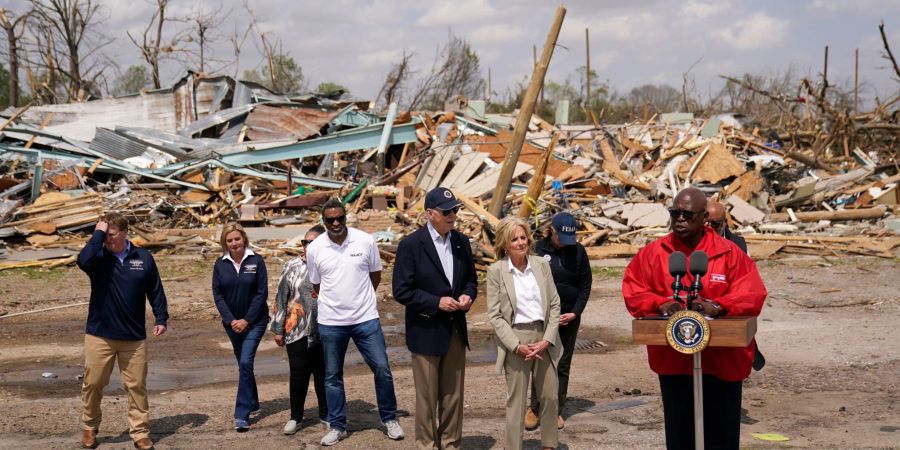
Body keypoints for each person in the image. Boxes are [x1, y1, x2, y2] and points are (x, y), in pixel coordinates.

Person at [622, 188, 767, 450]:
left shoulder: (729, 254)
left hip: (721, 363)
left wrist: (718, 306)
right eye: (674, 213)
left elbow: (752, 294)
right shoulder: (654, 254)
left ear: (704, 218)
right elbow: (634, 290)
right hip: (675, 363)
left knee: (720, 436)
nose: (679, 219)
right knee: (680, 436)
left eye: (687, 214)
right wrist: (660, 303)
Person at [306, 198, 405, 446]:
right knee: (332, 375)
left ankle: (389, 418)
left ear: (346, 216)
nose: (336, 223)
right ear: (323, 221)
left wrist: (361, 301)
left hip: (365, 319)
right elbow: (317, 285)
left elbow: (376, 275)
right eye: (330, 220)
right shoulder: (315, 248)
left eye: (340, 217)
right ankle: (337, 425)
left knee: (382, 368)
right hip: (331, 322)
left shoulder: (365, 240)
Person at [392, 187, 478, 450]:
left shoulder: (462, 242)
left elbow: (472, 281)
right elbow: (401, 291)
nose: (453, 215)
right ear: (430, 214)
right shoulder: (411, 245)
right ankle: (427, 445)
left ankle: (451, 444)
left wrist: (467, 296)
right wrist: (435, 302)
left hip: (454, 331)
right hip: (426, 331)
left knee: (453, 397)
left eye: (455, 210)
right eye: (447, 211)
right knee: (427, 400)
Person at [76, 213, 168, 450]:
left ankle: (140, 432)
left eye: (111, 235)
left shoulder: (143, 258)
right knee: (93, 383)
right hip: (100, 334)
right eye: (104, 235)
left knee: (136, 386)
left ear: (126, 232)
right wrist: (98, 233)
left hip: (133, 337)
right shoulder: (97, 257)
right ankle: (89, 426)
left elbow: (155, 289)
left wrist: (161, 316)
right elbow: (82, 260)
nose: (108, 240)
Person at [486, 216, 562, 450]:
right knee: (517, 402)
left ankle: (549, 445)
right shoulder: (496, 271)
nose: (520, 242)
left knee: (549, 396)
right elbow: (495, 315)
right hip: (516, 340)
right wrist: (516, 345)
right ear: (504, 244)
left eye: (523, 237)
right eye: (514, 239)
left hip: (544, 337)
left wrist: (548, 339)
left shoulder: (541, 264)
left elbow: (555, 304)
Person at [526, 212, 592, 431]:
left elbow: (585, 285)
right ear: (551, 231)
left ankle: (555, 410)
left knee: (562, 363)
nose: (565, 244)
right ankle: (534, 408)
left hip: (568, 317)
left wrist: (575, 312)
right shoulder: (537, 249)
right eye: (561, 239)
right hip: (542, 316)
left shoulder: (579, 251)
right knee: (540, 362)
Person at [271, 225, 328, 435]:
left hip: (325, 328)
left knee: (323, 374)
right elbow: (281, 296)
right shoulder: (292, 265)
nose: (308, 246)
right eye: (305, 242)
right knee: (298, 374)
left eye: (313, 242)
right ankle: (296, 417)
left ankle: (326, 414)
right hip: (296, 329)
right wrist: (278, 328)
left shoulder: (330, 264)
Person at [212, 223, 269, 431]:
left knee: (246, 361)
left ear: (243, 239)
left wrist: (246, 319)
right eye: (229, 240)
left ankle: (242, 414)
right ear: (224, 243)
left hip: (255, 322)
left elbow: (261, 293)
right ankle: (252, 401)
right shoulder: (220, 264)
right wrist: (230, 319)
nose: (234, 243)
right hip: (232, 324)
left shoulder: (256, 261)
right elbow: (217, 294)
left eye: (237, 239)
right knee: (243, 364)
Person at [707, 201, 765, 371]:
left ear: (724, 223)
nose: (709, 228)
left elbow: (747, 284)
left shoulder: (738, 245)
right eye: (706, 222)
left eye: (715, 224)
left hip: (727, 310)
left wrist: (721, 304)